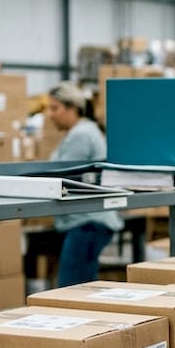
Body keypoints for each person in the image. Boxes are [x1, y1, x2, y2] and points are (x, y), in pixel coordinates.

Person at [46, 83, 123, 286]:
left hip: (87, 222)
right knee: (83, 286)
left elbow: (63, 177)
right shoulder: (83, 132)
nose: (50, 115)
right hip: (87, 221)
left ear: (73, 108)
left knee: (70, 288)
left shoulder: (80, 135)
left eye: (55, 108)